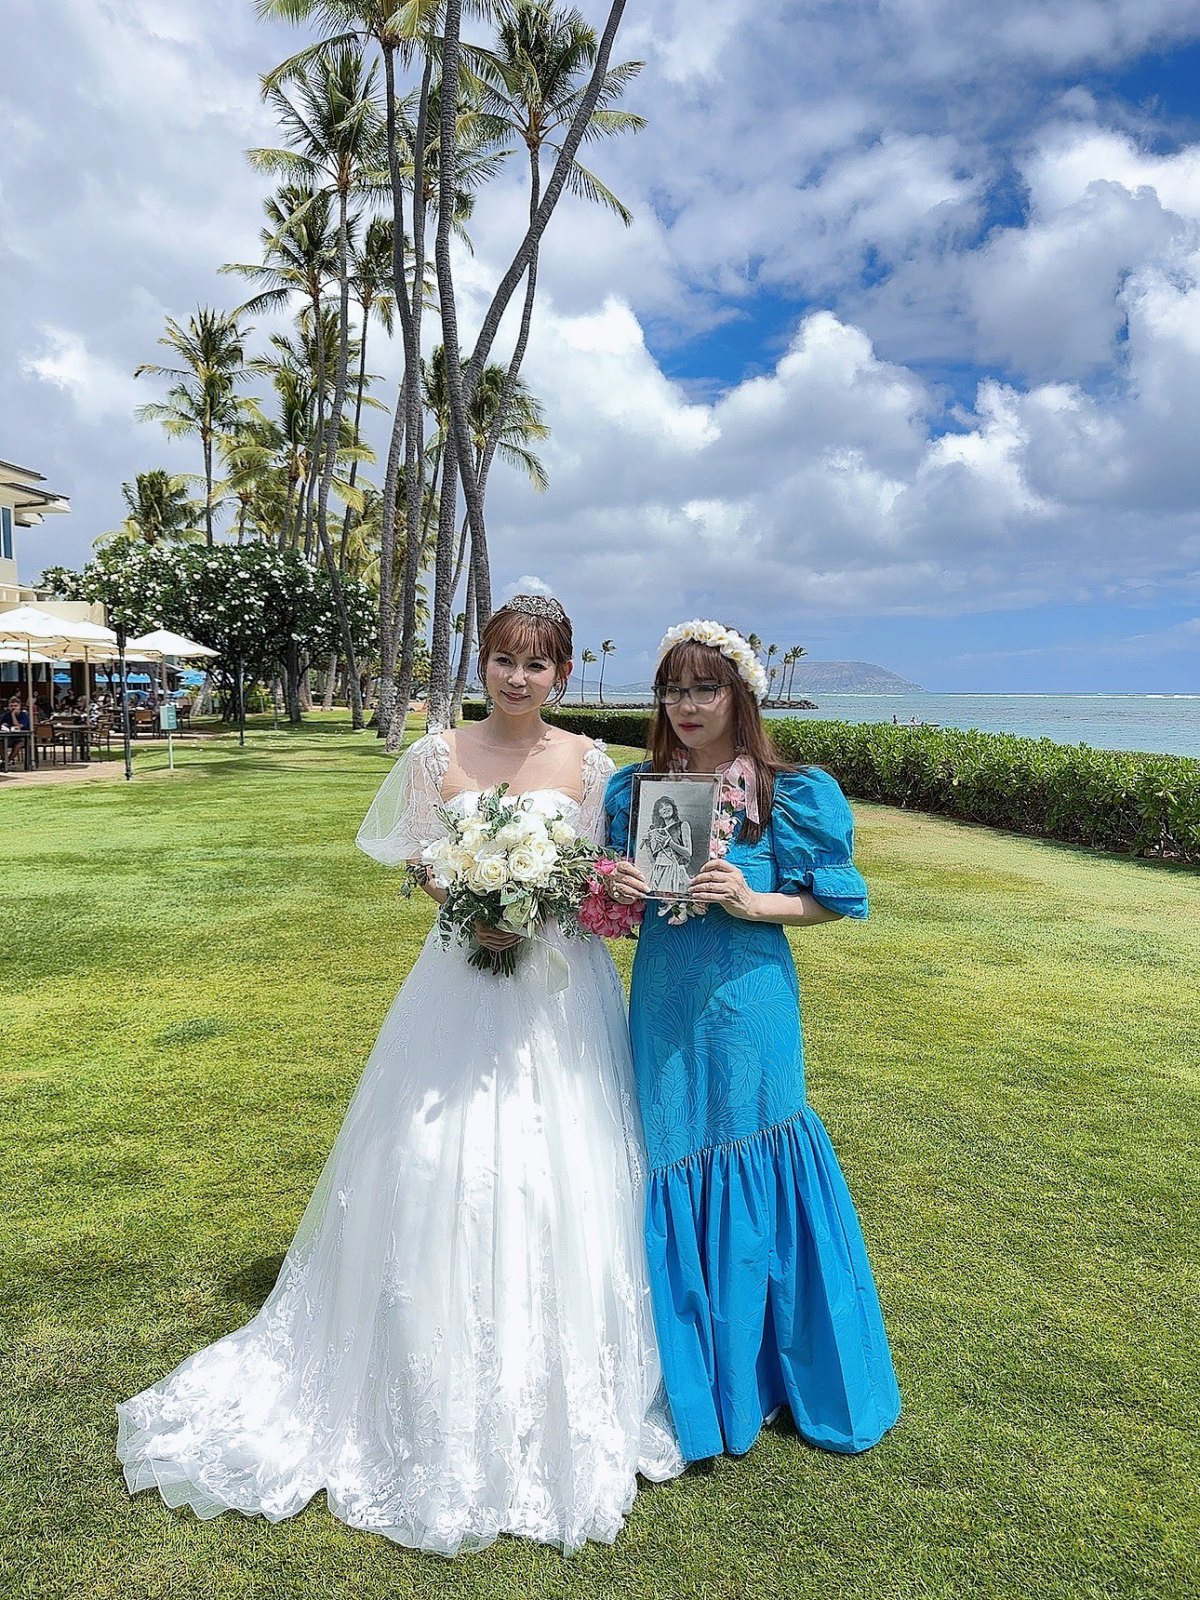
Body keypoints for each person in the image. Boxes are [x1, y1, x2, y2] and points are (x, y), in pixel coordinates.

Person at [116, 594, 682, 1556]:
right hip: (460, 976)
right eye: (503, 658)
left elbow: (597, 876)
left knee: (565, 1161)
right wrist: (468, 892)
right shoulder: (436, 754)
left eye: (536, 664)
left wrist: (549, 905)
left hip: (555, 990)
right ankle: (407, 1365)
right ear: (483, 661)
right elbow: (420, 857)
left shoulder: (593, 765)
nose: (516, 678)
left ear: (564, 673)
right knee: (429, 1158)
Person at [605, 620, 901, 1463]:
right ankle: (697, 1373)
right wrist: (618, 887)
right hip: (663, 999)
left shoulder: (792, 792)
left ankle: (774, 1374)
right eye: (673, 690)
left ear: (741, 695)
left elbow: (834, 901)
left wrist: (752, 899)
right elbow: (621, 918)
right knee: (671, 1149)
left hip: (749, 1003)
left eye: (706, 688)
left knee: (756, 1157)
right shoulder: (636, 793)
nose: (688, 705)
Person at [644, 795, 692, 896]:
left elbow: (688, 853)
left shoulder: (682, 825)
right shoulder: (658, 831)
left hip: (674, 870)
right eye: (661, 807)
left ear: (673, 808)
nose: (665, 808)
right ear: (659, 814)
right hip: (657, 872)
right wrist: (647, 845)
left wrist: (670, 843)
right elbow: (653, 862)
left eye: (667, 805)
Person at [2, 694, 30, 768]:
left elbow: (18, 726)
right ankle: (5, 761)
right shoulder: (5, 715)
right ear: (8, 706)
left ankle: (8, 761)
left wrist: (13, 715)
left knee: (18, 745)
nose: (13, 708)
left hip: (21, 737)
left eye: (15, 706)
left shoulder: (24, 716)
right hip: (8, 737)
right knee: (0, 743)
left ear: (19, 706)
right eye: (11, 706)